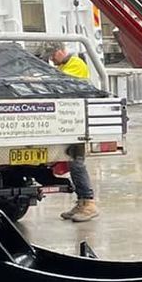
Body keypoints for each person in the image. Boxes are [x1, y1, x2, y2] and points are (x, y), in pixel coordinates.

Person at [50, 41, 99, 223]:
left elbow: (61, 84)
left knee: (77, 163)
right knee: (73, 163)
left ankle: (89, 203)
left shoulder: (76, 64)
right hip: (67, 120)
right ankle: (81, 202)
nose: (51, 59)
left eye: (53, 55)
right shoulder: (63, 66)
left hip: (76, 121)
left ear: (61, 51)